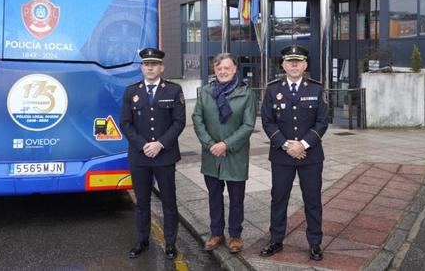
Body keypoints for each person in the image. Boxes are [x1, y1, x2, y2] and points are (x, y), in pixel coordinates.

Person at [259, 45, 329, 261]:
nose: (294, 65)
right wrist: (286, 145)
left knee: (313, 199)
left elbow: (322, 121)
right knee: (279, 198)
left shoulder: (316, 89)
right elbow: (268, 121)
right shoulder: (272, 90)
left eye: (299, 61)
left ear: (305, 65)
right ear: (283, 65)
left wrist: (303, 145)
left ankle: (315, 243)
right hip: (282, 156)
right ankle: (276, 240)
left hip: (311, 156)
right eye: (290, 61)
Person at [120, 47, 186, 260]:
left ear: (161, 67)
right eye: (147, 64)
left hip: (165, 156)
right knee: (142, 202)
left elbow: (179, 122)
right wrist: (143, 145)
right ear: (142, 67)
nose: (150, 67)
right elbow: (125, 123)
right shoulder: (131, 91)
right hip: (140, 157)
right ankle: (142, 240)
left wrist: (160, 144)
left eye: (154, 64)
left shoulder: (173, 91)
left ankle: (170, 244)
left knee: (169, 201)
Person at [192, 53, 256, 254]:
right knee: (214, 196)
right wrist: (210, 144)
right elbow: (197, 119)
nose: (223, 71)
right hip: (211, 154)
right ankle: (217, 233)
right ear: (215, 70)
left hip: (235, 155)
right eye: (219, 68)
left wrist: (226, 144)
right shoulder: (205, 92)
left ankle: (235, 235)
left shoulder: (246, 93)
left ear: (235, 69)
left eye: (227, 67)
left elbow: (248, 125)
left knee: (236, 198)